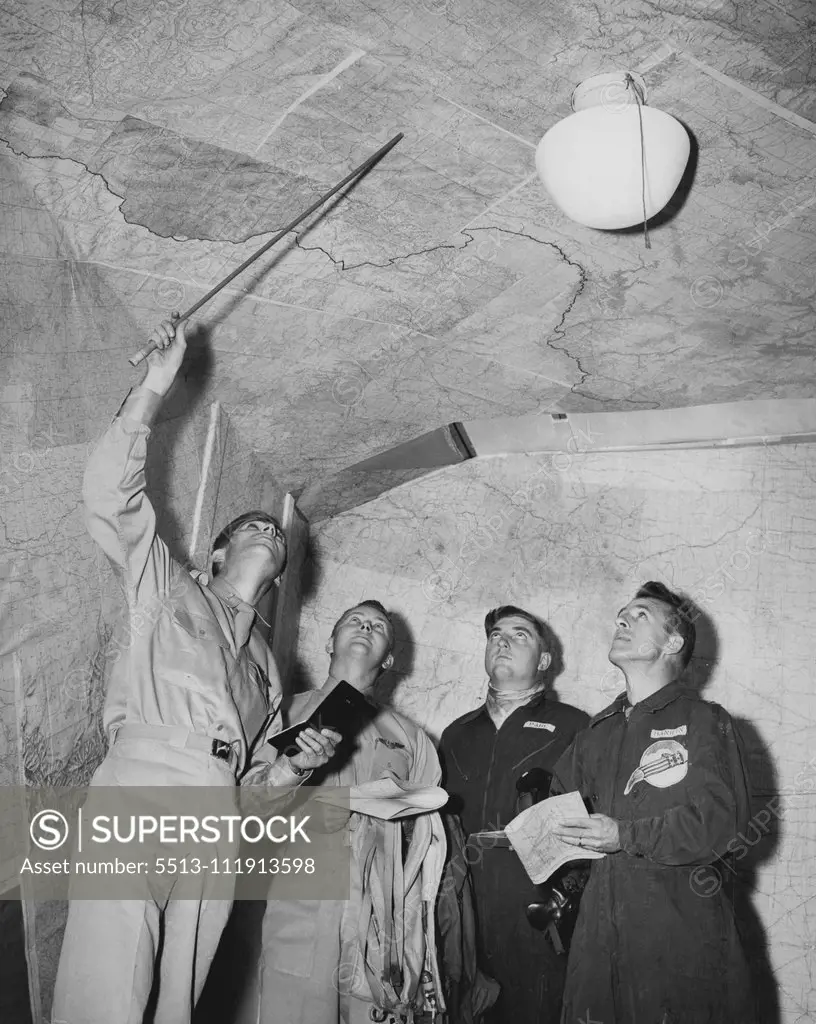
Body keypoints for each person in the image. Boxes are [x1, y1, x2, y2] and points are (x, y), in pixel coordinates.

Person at [52, 316, 340, 1024]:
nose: (267, 530)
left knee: (180, 999)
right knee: (108, 981)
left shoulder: (270, 677)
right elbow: (109, 501)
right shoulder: (168, 587)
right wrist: (153, 386)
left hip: (217, 813)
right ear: (215, 557)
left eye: (273, 529)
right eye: (250, 527)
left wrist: (292, 770)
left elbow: (254, 790)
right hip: (141, 788)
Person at [551, 581, 756, 1024]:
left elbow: (722, 823)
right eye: (621, 612)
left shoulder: (705, 722)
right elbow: (556, 816)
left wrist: (625, 835)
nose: (621, 619)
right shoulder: (593, 734)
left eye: (640, 614)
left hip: (679, 944)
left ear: (674, 642)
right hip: (595, 951)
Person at [256, 600, 447, 1024]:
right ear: (330, 641)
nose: (365, 627)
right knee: (293, 1007)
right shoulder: (279, 713)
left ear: (391, 659)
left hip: (381, 910)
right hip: (298, 893)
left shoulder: (411, 738)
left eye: (378, 626)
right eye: (353, 621)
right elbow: (247, 806)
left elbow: (427, 831)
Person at [438, 605, 589, 1024]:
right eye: (495, 635)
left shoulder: (576, 728)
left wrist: (567, 900)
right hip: (462, 912)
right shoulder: (456, 733)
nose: (502, 641)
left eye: (520, 635)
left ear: (544, 661)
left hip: (539, 916)